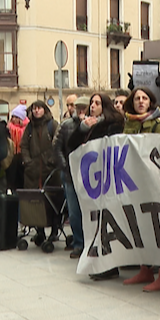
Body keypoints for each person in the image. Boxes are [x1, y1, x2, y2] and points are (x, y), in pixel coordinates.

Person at [121, 87, 160, 291]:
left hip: (156, 183)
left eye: (144, 98)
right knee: (140, 225)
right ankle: (145, 269)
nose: (141, 101)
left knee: (159, 228)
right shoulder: (129, 123)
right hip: (135, 182)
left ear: (150, 102)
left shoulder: (159, 124)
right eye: (137, 98)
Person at [67, 94, 125, 276]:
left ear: (105, 106)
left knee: (107, 221)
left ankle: (110, 265)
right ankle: (101, 262)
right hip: (93, 179)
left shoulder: (113, 124)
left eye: (97, 103)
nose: (92, 106)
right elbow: (71, 145)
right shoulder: (89, 125)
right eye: (92, 102)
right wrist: (82, 129)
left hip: (108, 179)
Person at [54, 95, 90, 258]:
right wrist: (66, 166)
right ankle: (79, 243)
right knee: (74, 211)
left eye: (85, 107)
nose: (82, 110)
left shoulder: (95, 125)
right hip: (70, 175)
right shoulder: (66, 125)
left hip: (90, 175)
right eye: (79, 107)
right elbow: (57, 147)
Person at [22, 100, 59, 189]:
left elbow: (58, 143)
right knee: (33, 199)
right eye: (34, 108)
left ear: (44, 110)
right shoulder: (29, 127)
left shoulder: (52, 125)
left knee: (51, 197)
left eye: (39, 108)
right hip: (33, 171)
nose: (36, 111)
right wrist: (27, 161)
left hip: (50, 170)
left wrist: (52, 160)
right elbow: (24, 145)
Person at [6, 104, 28, 191]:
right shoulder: (8, 128)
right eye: (13, 116)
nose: (13, 119)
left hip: (23, 159)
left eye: (16, 117)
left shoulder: (27, 128)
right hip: (12, 158)